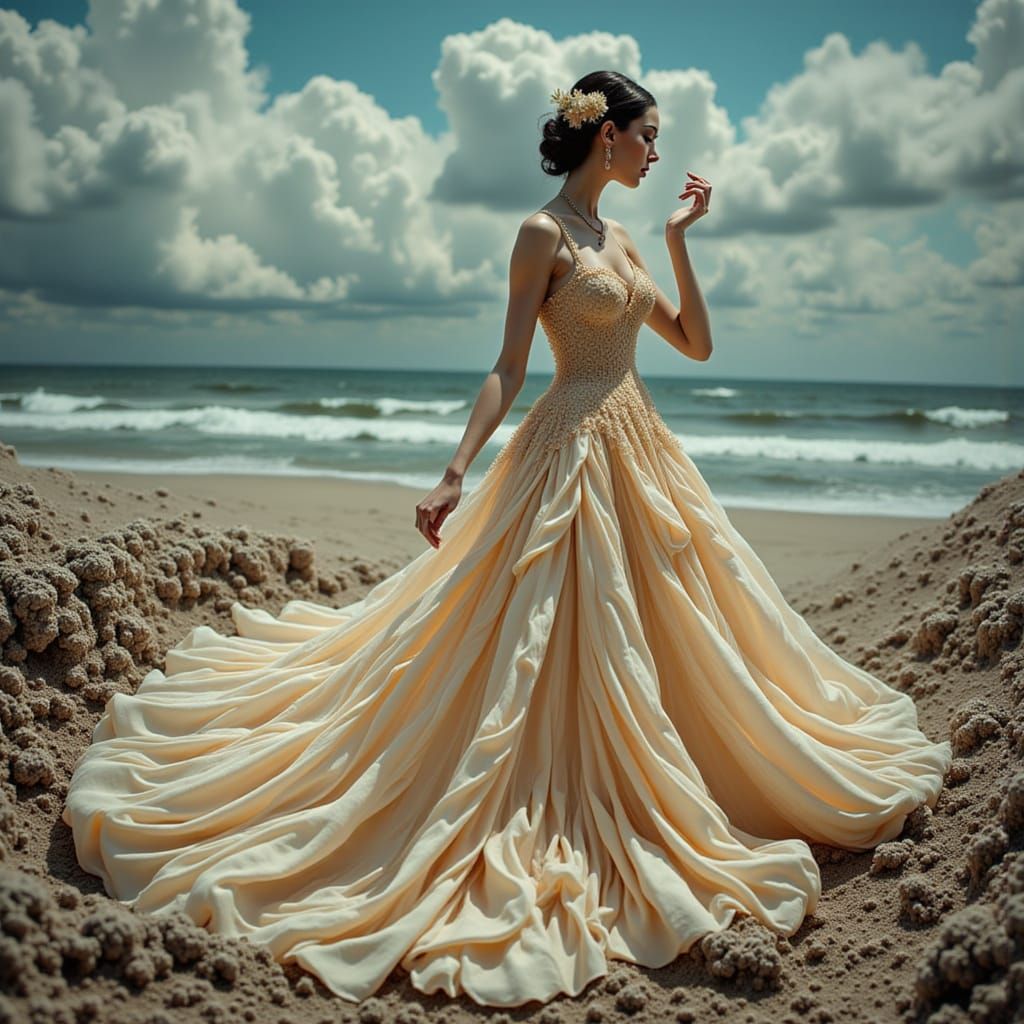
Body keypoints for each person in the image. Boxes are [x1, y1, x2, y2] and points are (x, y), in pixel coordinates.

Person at [61, 70, 953, 1009]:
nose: (659, 150)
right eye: (649, 133)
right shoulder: (542, 234)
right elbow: (509, 364)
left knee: (674, 624)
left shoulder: (624, 235)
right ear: (605, 136)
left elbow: (695, 344)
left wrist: (684, 243)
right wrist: (454, 470)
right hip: (564, 448)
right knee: (548, 631)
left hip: (641, 448)